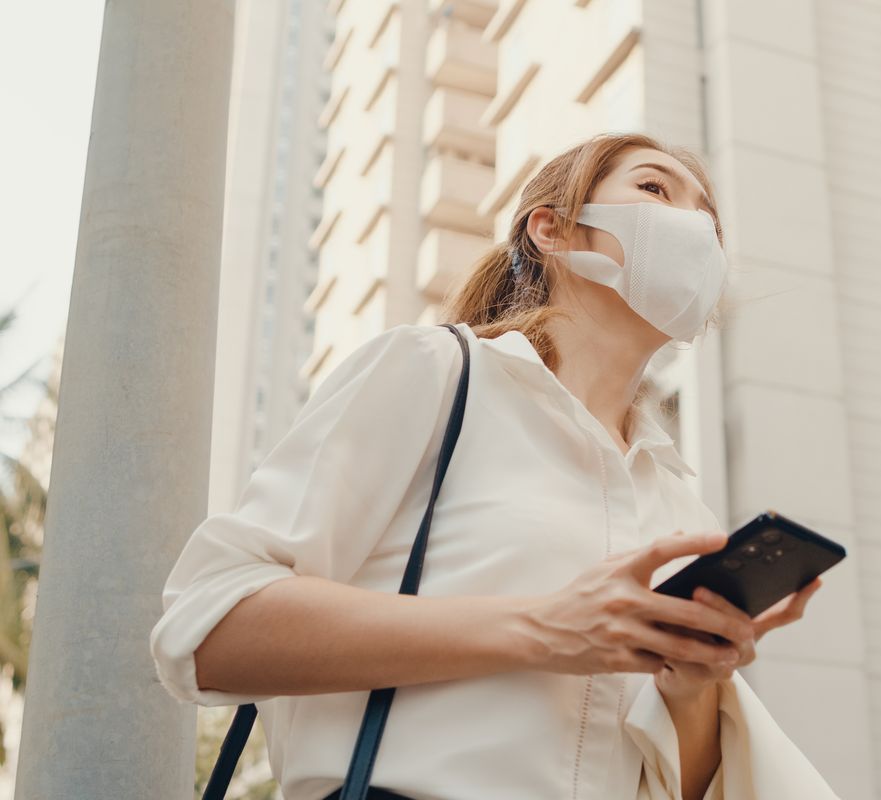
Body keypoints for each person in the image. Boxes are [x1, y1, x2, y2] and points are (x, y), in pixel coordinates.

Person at [149, 132, 841, 800]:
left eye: (710, 222)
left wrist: (690, 685)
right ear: (555, 230)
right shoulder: (437, 374)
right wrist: (546, 627)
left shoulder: (681, 507)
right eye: (656, 188)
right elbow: (211, 625)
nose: (695, 227)